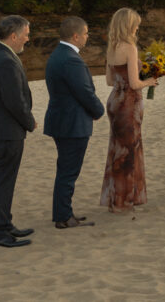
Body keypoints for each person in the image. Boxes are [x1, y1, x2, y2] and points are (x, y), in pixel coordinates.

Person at [0, 15, 37, 248]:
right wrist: (29, 121)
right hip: (6, 131)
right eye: (26, 34)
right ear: (13, 36)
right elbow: (13, 100)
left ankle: (5, 224)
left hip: (1, 129)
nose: (28, 38)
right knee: (3, 180)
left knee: (4, 179)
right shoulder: (4, 60)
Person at [44, 16, 104, 229]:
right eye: (86, 33)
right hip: (71, 123)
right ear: (76, 35)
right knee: (68, 171)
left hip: (62, 120)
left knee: (66, 169)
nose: (88, 37)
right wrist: (98, 110)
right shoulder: (70, 59)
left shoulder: (59, 54)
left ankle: (64, 212)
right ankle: (63, 216)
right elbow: (84, 92)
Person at [100, 8, 157, 212]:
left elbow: (109, 81)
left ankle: (116, 199)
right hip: (129, 103)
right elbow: (134, 83)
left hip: (115, 100)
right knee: (128, 151)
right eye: (136, 24)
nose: (137, 28)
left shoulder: (112, 48)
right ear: (128, 25)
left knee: (117, 149)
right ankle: (123, 202)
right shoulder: (129, 48)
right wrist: (149, 80)